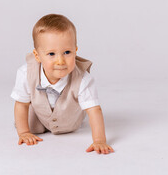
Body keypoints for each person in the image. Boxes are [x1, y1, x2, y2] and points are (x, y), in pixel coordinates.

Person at [10, 14, 114, 154]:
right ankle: (31, 126)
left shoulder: (83, 79)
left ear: (75, 51)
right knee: (26, 120)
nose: (60, 61)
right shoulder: (26, 73)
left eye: (67, 52)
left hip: (69, 122)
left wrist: (99, 140)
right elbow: (21, 104)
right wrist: (23, 132)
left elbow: (94, 111)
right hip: (39, 117)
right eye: (51, 54)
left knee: (78, 116)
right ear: (37, 56)